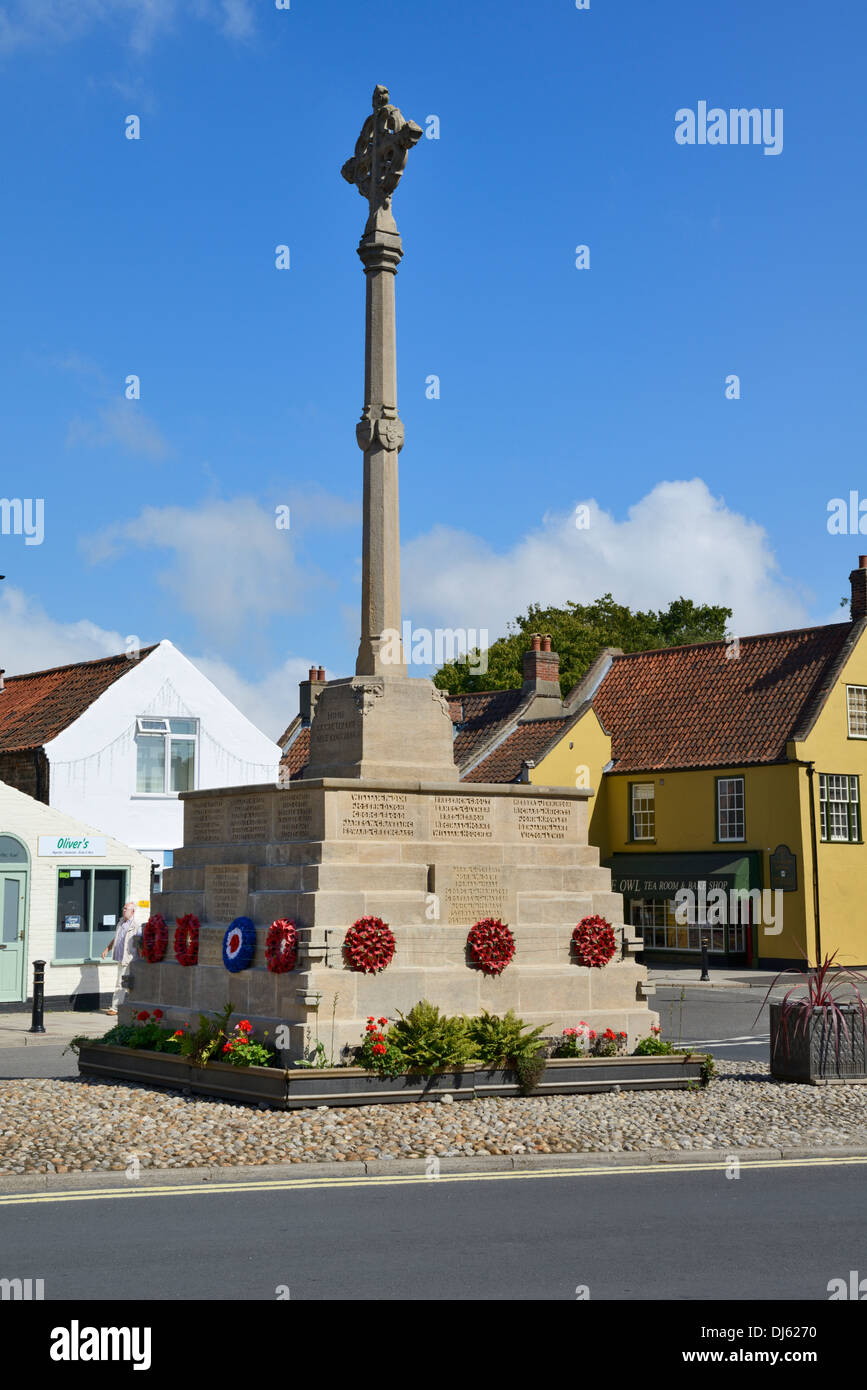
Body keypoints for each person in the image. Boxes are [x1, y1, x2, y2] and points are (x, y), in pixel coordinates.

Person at [101, 901, 140, 1015]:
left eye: (126, 909)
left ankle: (115, 1008)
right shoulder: (121, 923)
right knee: (127, 983)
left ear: (132, 912)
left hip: (129, 958)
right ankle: (131, 1005)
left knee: (121, 983)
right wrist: (107, 949)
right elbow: (116, 938)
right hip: (120, 958)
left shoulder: (136, 926)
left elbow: (140, 942)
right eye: (123, 908)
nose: (123, 910)